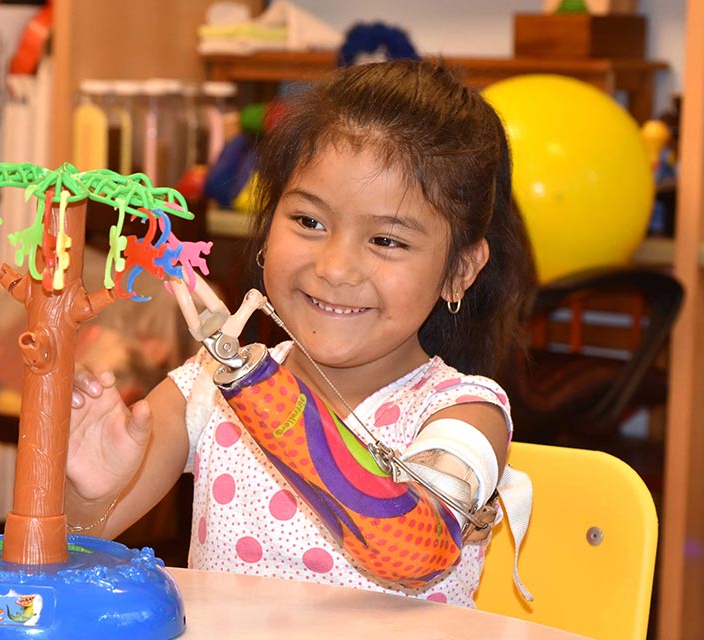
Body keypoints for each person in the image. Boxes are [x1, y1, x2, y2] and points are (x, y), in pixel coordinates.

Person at [65, 59, 536, 607]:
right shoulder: (206, 388)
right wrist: (85, 490)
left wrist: (264, 399)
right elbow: (69, 546)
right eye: (309, 222)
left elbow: (414, 548)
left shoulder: (465, 414)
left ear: (459, 269)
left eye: (387, 241)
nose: (335, 268)